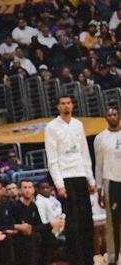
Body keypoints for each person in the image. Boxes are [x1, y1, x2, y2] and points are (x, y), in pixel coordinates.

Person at [44, 94, 96, 265]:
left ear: (72, 105)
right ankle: (76, 260)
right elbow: (52, 159)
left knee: (86, 220)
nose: (66, 106)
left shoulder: (78, 125)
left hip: (80, 175)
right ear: (58, 107)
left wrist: (91, 180)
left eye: (68, 103)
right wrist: (59, 184)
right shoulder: (52, 127)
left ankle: (88, 259)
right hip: (65, 177)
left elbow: (84, 153)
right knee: (72, 223)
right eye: (63, 103)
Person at [94, 105, 121, 264]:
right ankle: (113, 257)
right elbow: (99, 166)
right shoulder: (100, 138)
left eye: (115, 114)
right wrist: (99, 189)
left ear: (119, 116)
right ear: (105, 118)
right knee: (112, 223)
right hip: (111, 182)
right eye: (109, 115)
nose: (112, 117)